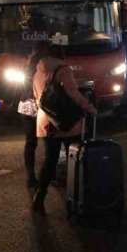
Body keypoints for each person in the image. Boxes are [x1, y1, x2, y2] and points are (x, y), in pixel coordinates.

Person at [31, 45, 97, 212]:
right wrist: (89, 108)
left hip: (46, 121)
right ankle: (75, 197)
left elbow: (38, 97)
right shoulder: (63, 69)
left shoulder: (37, 71)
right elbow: (73, 94)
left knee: (50, 160)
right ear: (61, 56)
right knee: (74, 159)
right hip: (67, 122)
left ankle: (39, 197)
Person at [19, 43, 49, 188]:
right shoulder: (43, 69)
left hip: (25, 108)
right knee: (49, 142)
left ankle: (30, 176)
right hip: (41, 108)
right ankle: (50, 174)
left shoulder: (26, 69)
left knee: (30, 142)